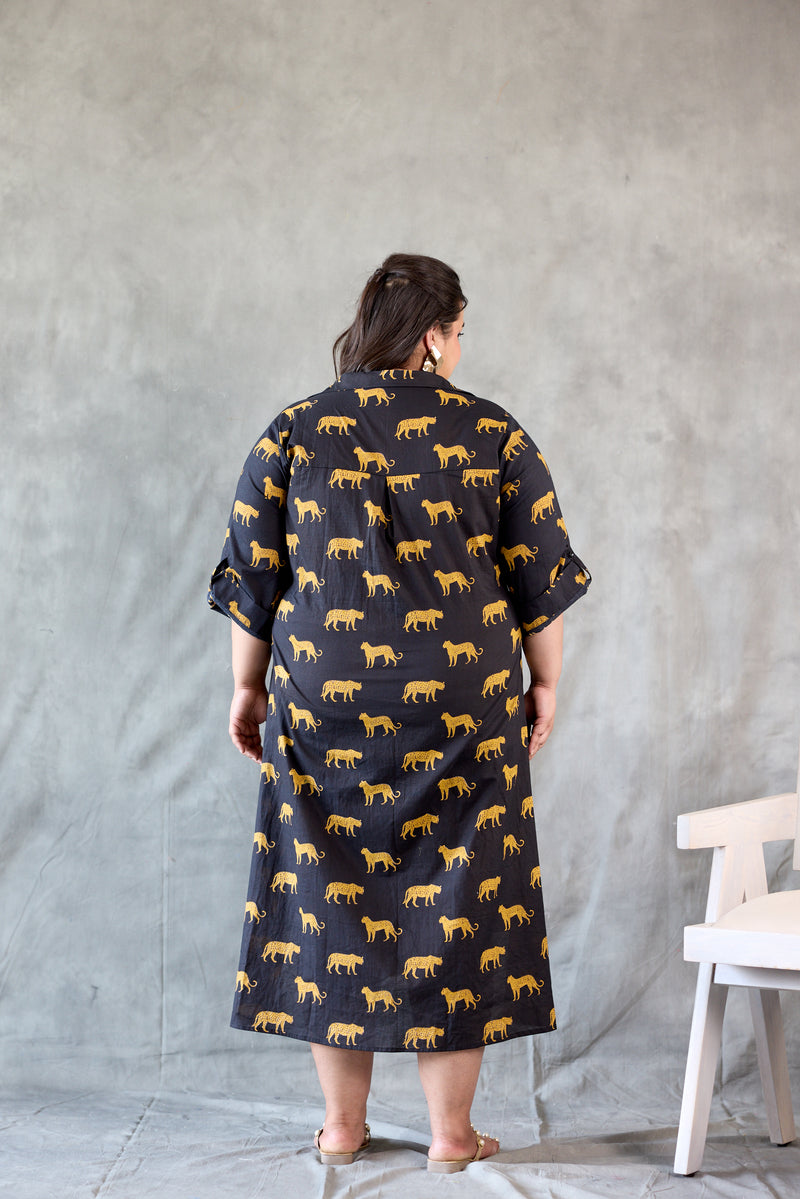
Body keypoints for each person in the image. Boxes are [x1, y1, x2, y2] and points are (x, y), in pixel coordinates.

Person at [207, 253, 590, 1172]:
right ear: (431, 335)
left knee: (327, 901)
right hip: (464, 710)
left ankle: (342, 1128)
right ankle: (452, 1137)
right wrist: (544, 683)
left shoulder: (294, 430)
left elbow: (254, 582)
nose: (460, 348)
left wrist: (248, 690)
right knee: (459, 900)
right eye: (458, 332)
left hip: (323, 704)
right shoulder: (494, 433)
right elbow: (539, 579)